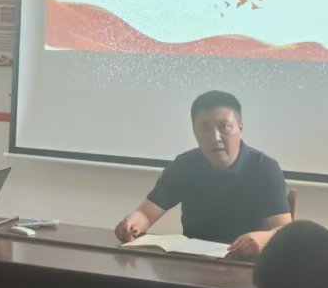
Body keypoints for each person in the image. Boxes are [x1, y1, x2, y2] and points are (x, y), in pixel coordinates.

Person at [113, 91, 290, 258]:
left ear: (240, 128)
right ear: (195, 132)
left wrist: (264, 238)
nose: (215, 137)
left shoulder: (264, 168)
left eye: (224, 127)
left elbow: (284, 230)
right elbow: (146, 213)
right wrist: (132, 223)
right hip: (193, 263)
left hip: (245, 264)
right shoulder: (184, 165)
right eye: (205, 128)